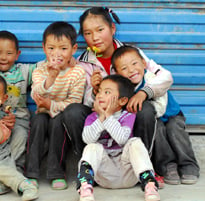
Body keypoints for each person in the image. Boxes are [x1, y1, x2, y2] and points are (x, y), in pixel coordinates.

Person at [61, 6, 173, 187]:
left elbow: (164, 77)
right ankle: (89, 172)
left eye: (100, 30)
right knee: (72, 112)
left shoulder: (130, 52)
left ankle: (146, 170)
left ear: (112, 29)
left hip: (125, 116)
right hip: (99, 117)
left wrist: (144, 92)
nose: (95, 37)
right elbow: (84, 102)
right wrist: (95, 91)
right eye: (88, 33)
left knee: (144, 108)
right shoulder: (83, 63)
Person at [111, 45, 200, 185]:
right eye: (124, 68)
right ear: (116, 73)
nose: (131, 70)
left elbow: (161, 105)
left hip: (171, 114)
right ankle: (167, 165)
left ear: (143, 63)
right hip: (155, 119)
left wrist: (144, 95)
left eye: (134, 64)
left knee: (174, 129)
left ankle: (188, 164)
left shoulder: (151, 78)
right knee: (157, 130)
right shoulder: (125, 89)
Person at [76, 74, 160, 201]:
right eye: (99, 91)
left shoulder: (127, 116)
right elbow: (88, 139)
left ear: (122, 101)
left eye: (107, 92)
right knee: (92, 146)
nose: (100, 95)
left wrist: (108, 116)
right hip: (104, 175)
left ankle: (149, 184)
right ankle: (85, 186)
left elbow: (121, 139)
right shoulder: (93, 117)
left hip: (129, 174)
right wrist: (101, 118)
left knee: (134, 142)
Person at [25, 21, 86, 190]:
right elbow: (36, 92)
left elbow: (74, 101)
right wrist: (51, 77)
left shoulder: (78, 72)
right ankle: (31, 173)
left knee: (58, 124)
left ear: (73, 49)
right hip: (43, 111)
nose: (56, 53)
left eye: (63, 49)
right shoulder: (40, 69)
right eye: (51, 48)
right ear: (44, 48)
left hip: (62, 113)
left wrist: (51, 104)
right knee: (38, 122)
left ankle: (57, 173)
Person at [0, 30, 37, 173]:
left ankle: (12, 171)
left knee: (20, 137)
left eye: (9, 53)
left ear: (17, 54)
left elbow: (48, 66)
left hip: (19, 119)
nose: (3, 58)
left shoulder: (24, 71)